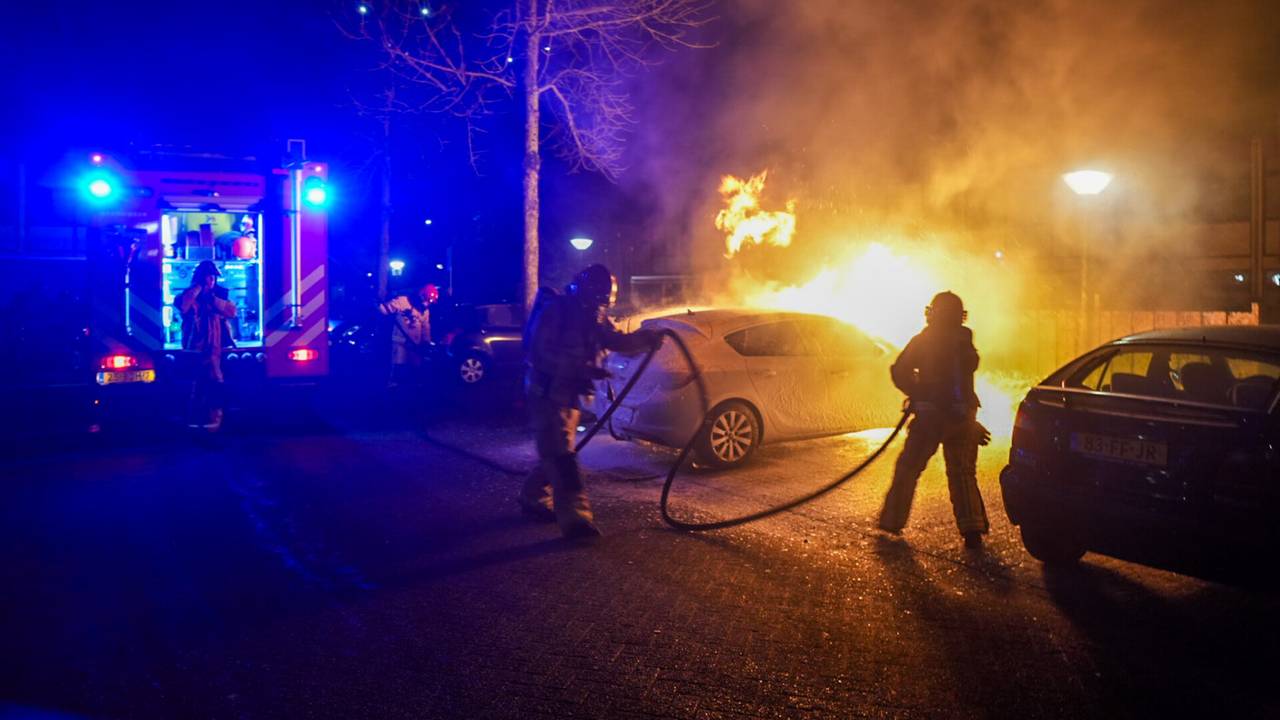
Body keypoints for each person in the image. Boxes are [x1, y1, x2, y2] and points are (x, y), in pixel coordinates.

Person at [519, 264, 662, 539]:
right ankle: (577, 522)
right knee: (562, 460)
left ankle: (532, 496)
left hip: (569, 395)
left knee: (556, 451)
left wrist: (646, 339)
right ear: (582, 290)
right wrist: (580, 370)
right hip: (547, 394)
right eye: (596, 301)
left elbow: (614, 339)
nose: (599, 307)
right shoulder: (556, 311)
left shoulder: (592, 314)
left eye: (601, 303)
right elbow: (537, 353)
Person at [878, 291, 991, 549]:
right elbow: (961, 378)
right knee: (963, 474)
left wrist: (917, 391)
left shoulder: (924, 340)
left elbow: (899, 371)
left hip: (931, 417)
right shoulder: (965, 339)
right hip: (963, 416)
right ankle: (972, 530)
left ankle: (892, 522)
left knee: (908, 468)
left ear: (933, 313)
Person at [176, 260, 237, 431]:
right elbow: (183, 306)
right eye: (207, 278)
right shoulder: (188, 295)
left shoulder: (219, 297)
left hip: (213, 350)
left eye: (213, 278)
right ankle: (194, 421)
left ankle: (214, 422)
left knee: (216, 383)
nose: (211, 281)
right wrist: (197, 290)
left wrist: (212, 298)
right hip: (194, 350)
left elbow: (232, 312)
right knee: (194, 385)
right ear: (199, 279)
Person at [378, 283, 438, 388]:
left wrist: (427, 342)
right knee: (398, 365)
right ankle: (394, 386)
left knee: (416, 367)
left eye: (428, 303)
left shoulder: (425, 311)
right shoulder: (402, 301)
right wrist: (379, 305)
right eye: (425, 300)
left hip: (415, 345)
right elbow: (385, 310)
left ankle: (412, 388)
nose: (425, 304)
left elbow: (425, 328)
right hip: (400, 342)